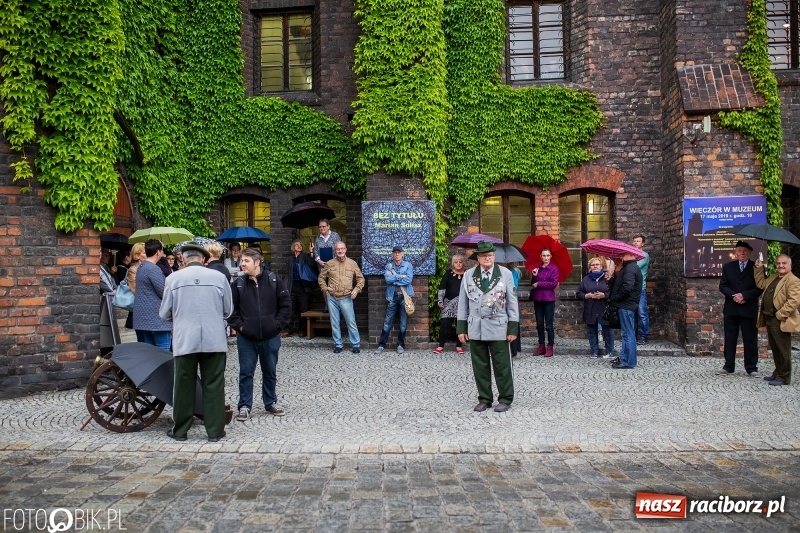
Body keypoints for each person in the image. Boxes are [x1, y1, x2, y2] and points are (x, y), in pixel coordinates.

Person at [159, 243, 232, 442]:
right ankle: (215, 431)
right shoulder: (219, 278)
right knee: (214, 383)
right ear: (204, 259)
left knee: (183, 384)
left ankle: (181, 430)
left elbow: (164, 313)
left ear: (183, 258)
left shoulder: (173, 278)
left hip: (185, 339)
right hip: (214, 338)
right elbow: (228, 310)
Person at [228, 248, 291, 420]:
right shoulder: (238, 284)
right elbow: (230, 310)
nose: (242, 264)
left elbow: (286, 305)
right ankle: (244, 406)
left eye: (246, 261)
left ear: (257, 262)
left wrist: (277, 325)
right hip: (246, 338)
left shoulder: (273, 280)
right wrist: (241, 327)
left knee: (269, 371)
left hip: (270, 337)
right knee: (246, 372)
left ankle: (270, 402)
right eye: (242, 260)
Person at [456, 241, 519, 413]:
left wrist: (513, 327)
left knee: (502, 365)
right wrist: (461, 328)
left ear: (494, 256)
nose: (487, 258)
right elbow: (463, 302)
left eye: (490, 255)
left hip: (499, 326)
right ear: (478, 257)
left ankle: (505, 398)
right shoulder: (469, 275)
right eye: (483, 256)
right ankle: (484, 398)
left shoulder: (505, 274)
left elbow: (512, 302)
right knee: (480, 365)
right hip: (476, 326)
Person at [754, 254, 800, 386]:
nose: (780, 265)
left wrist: (780, 315)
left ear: (790, 265)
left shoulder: (793, 280)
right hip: (769, 317)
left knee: (783, 349)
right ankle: (778, 372)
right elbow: (761, 284)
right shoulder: (774, 277)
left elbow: (794, 302)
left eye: (784, 263)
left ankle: (784, 377)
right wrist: (758, 269)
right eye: (778, 263)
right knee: (775, 348)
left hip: (781, 319)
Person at [718, 241, 763, 375]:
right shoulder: (728, 267)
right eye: (739, 250)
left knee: (750, 339)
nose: (742, 253)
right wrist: (734, 296)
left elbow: (760, 287)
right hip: (731, 308)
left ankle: (751, 367)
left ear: (750, 253)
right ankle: (728, 366)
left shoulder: (756, 267)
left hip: (748, 309)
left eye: (745, 251)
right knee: (730, 338)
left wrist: (744, 295)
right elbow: (723, 286)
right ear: (735, 252)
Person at [317, 241, 365, 353]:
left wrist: (356, 290)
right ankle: (338, 344)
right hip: (332, 297)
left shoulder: (352, 263)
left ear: (346, 249)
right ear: (335, 250)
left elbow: (361, 279)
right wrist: (325, 290)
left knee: (351, 322)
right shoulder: (329, 263)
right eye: (338, 249)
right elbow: (321, 278)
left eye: (342, 248)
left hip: (346, 297)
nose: (340, 251)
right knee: (334, 322)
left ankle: (355, 344)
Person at [132, 239, 172, 350]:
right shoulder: (153, 269)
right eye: (162, 251)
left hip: (144, 318)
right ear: (158, 252)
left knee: (150, 353)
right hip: (156, 319)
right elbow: (163, 292)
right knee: (163, 351)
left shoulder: (142, 267)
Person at [376, 246, 414, 354]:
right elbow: (387, 280)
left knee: (403, 323)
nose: (397, 254)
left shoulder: (408, 265)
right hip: (392, 296)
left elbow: (408, 280)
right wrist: (400, 276)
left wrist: (395, 278)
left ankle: (400, 345)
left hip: (404, 297)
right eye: (395, 253)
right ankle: (382, 345)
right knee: (387, 322)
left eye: (399, 252)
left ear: (403, 254)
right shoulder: (389, 266)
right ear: (392, 254)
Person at [607, 252, 642, 369]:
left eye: (624, 255)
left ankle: (629, 361)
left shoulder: (631, 268)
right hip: (626, 305)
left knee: (628, 334)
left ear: (631, 255)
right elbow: (619, 285)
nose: (621, 257)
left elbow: (627, 287)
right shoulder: (627, 268)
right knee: (626, 334)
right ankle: (624, 358)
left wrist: (615, 298)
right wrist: (613, 275)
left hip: (626, 305)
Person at [577, 257, 615, 359]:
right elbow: (579, 293)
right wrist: (587, 296)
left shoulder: (607, 278)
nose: (595, 266)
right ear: (590, 268)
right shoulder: (586, 279)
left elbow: (614, 293)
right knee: (591, 330)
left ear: (602, 266)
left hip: (604, 308)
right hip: (591, 308)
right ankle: (594, 351)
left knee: (608, 330)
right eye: (592, 265)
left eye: (597, 264)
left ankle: (610, 351)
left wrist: (605, 295)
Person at [284, 240, 317, 337]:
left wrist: (311, 252)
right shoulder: (289, 259)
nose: (299, 246)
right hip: (292, 286)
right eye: (296, 245)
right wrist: (286, 286)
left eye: (300, 245)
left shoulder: (306, 256)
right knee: (289, 308)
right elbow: (286, 274)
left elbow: (312, 264)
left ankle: (303, 330)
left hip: (303, 287)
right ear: (293, 247)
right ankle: (288, 329)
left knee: (304, 309)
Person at [530, 248, 559, 357]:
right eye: (544, 256)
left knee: (549, 325)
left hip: (549, 299)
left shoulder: (554, 268)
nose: (546, 258)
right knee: (539, 324)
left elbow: (554, 283)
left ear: (550, 256)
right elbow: (533, 283)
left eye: (547, 255)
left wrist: (539, 283)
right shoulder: (537, 268)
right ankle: (541, 345)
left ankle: (550, 346)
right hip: (538, 299)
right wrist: (534, 275)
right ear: (541, 257)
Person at [435, 254, 467, 354]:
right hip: (448, 304)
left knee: (460, 326)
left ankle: (459, 346)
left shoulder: (467, 274)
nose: (458, 264)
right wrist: (440, 301)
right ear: (453, 263)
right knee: (445, 325)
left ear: (463, 263)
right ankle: (441, 346)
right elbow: (442, 288)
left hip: (462, 304)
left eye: (460, 262)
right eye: (456, 262)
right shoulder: (448, 273)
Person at [632, 235, 650, 344]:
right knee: (632, 313)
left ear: (643, 243)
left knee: (642, 313)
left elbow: (634, 267)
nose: (635, 243)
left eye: (638, 241)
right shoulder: (630, 256)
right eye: (634, 241)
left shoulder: (644, 255)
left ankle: (644, 336)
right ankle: (632, 336)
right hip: (630, 289)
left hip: (640, 289)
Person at [505, 262, 522, 357]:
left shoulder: (513, 272)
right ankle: (515, 349)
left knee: (512, 323)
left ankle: (514, 351)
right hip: (510, 300)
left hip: (510, 300)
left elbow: (513, 287)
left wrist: (512, 300)